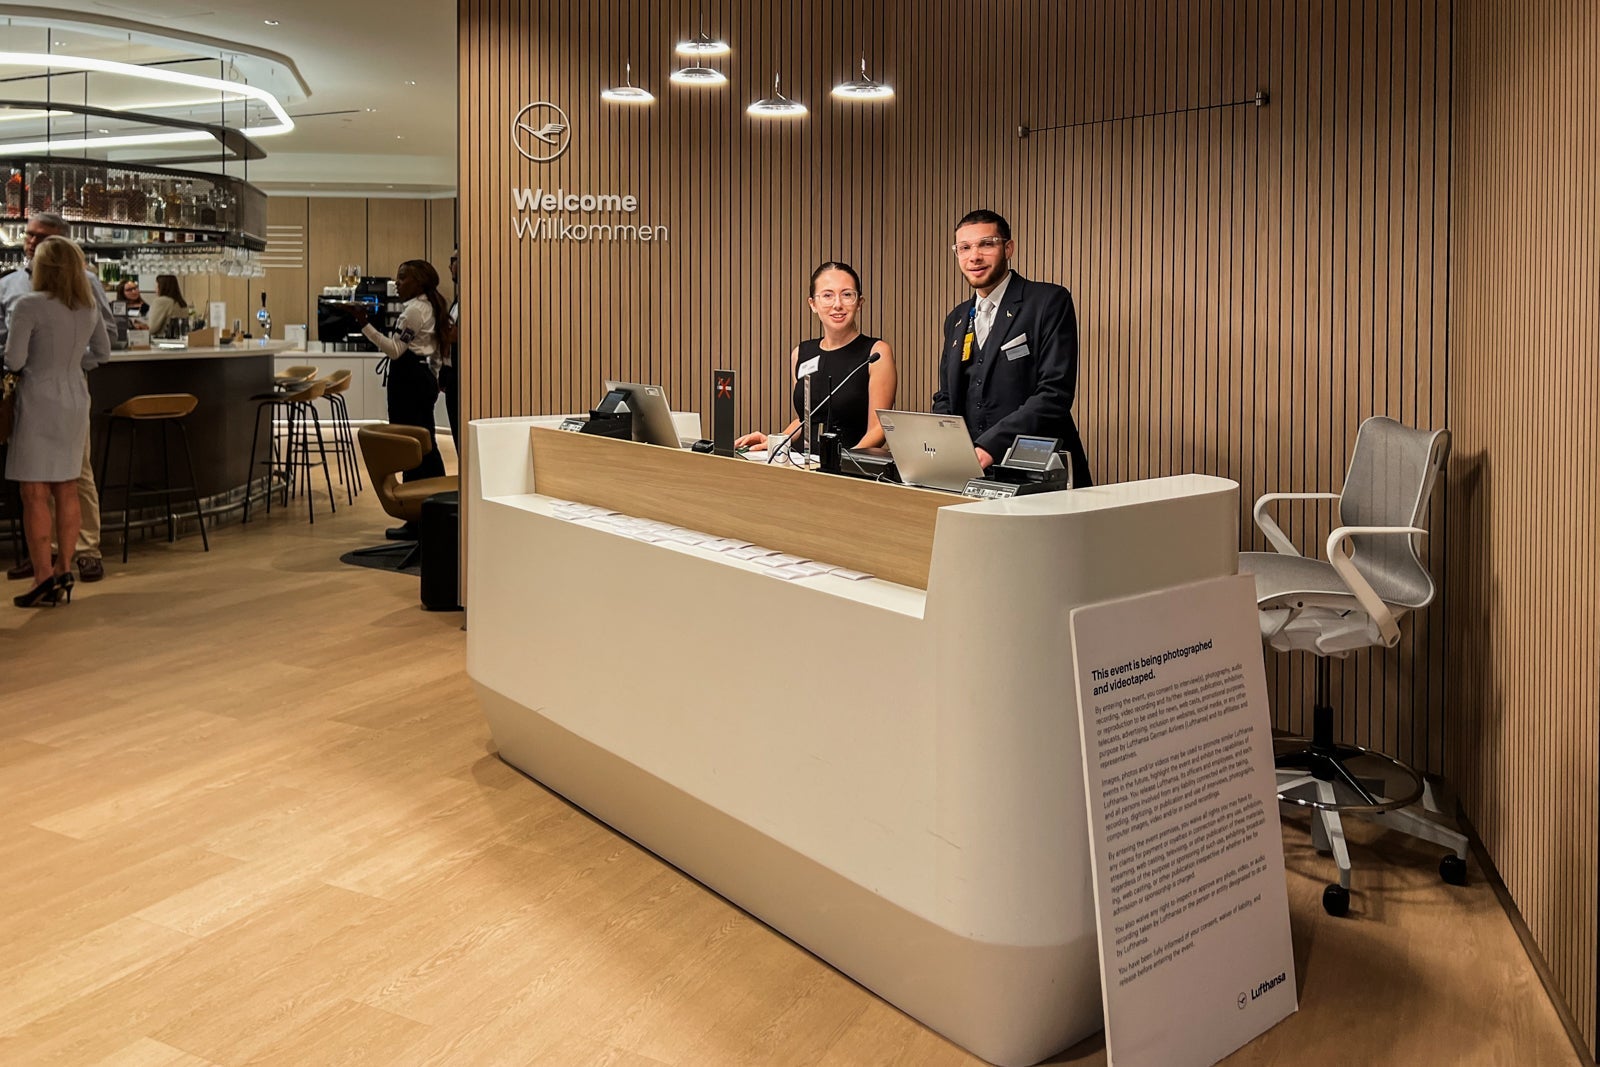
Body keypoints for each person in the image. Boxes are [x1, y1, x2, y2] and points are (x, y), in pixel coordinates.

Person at [933, 209, 1092, 487]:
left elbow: (1054, 394)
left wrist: (988, 447)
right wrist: (947, 450)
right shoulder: (956, 319)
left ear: (1008, 248)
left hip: (1038, 471)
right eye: (964, 248)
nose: (974, 256)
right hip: (972, 472)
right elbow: (945, 397)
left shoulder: (1048, 301)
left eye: (986, 244)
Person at [0, 211, 115, 584]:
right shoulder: (10, 285)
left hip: (37, 389)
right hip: (69, 392)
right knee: (63, 480)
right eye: (30, 235)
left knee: (61, 478)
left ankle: (83, 551)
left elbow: (14, 356)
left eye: (43, 237)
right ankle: (50, 559)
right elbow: (104, 349)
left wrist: (55, 357)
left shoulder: (80, 287)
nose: (33, 243)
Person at [735, 261, 896, 455]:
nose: (837, 304)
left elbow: (879, 429)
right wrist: (776, 441)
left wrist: (843, 462)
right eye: (827, 295)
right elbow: (806, 420)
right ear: (813, 304)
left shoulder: (876, 353)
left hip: (852, 470)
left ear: (859, 303)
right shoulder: (801, 353)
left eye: (847, 295)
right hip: (804, 465)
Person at [357, 258, 448, 493]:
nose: (396, 283)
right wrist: (434, 378)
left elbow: (396, 350)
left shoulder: (414, 312)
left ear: (418, 282)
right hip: (421, 378)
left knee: (410, 443)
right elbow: (435, 351)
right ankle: (432, 501)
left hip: (410, 383)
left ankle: (415, 504)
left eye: (402, 277)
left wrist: (364, 325)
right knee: (424, 441)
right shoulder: (429, 306)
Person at [439, 248, 460, 451]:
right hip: (451, 374)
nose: (450, 266)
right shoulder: (457, 298)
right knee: (457, 436)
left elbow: (457, 336)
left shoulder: (473, 297)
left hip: (465, 377)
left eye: (453, 260)